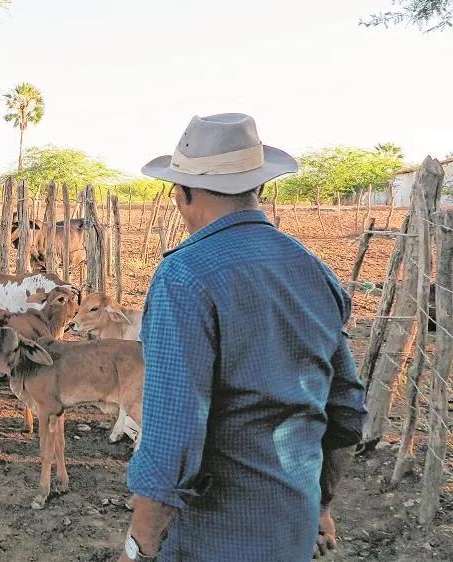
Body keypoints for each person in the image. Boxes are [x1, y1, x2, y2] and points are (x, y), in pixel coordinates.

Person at [119, 113, 368, 561]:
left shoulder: (184, 276)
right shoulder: (314, 271)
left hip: (215, 537)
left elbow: (172, 438)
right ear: (261, 187)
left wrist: (139, 547)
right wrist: (320, 504)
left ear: (183, 193)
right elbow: (346, 410)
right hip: (293, 529)